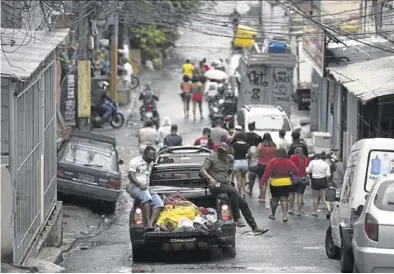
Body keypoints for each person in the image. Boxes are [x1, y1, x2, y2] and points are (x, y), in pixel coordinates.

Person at [200, 142, 269, 234]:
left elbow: (230, 170)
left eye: (224, 152)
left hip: (226, 185)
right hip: (215, 185)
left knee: (243, 203)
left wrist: (229, 178)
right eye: (220, 151)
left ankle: (254, 227)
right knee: (232, 191)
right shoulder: (211, 157)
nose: (221, 154)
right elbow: (202, 170)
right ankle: (237, 218)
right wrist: (210, 178)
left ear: (228, 152)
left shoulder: (230, 158)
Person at [127, 146, 164, 230]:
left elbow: (157, 161)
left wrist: (155, 157)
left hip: (146, 187)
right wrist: (139, 184)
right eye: (150, 156)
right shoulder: (135, 161)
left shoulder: (151, 163)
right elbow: (131, 175)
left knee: (159, 203)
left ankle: (150, 224)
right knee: (146, 197)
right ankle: (147, 223)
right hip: (134, 186)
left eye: (153, 156)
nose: (151, 158)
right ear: (145, 154)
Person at [260, 148, 299, 222]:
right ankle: (284, 216)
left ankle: (273, 215)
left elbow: (266, 173)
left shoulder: (273, 161)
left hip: (275, 182)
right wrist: (289, 173)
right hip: (286, 182)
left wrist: (262, 183)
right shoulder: (289, 162)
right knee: (284, 200)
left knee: (274, 200)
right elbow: (296, 171)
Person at [306, 152, 331, 217]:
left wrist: (307, 169)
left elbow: (308, 171)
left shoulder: (313, 162)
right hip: (323, 181)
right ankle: (329, 209)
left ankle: (315, 212)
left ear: (318, 157)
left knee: (315, 197)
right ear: (325, 158)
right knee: (324, 197)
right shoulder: (326, 164)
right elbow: (328, 175)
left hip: (315, 181)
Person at [256, 133, 277, 203]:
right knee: (271, 182)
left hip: (261, 165)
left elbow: (257, 154)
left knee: (262, 181)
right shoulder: (274, 146)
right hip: (272, 165)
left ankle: (262, 197)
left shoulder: (260, 145)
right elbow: (276, 155)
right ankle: (271, 196)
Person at [289, 147, 310, 216]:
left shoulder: (292, 157)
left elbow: (290, 167)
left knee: (292, 194)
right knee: (300, 195)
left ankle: (291, 209)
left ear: (295, 151)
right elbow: (307, 168)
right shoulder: (306, 159)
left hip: (294, 178)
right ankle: (298, 211)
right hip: (303, 178)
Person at [232, 133, 250, 198]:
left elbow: (232, 153)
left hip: (237, 162)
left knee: (238, 179)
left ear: (237, 137)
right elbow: (249, 154)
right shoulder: (247, 145)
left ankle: (239, 193)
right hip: (244, 162)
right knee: (243, 178)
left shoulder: (234, 145)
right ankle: (244, 193)